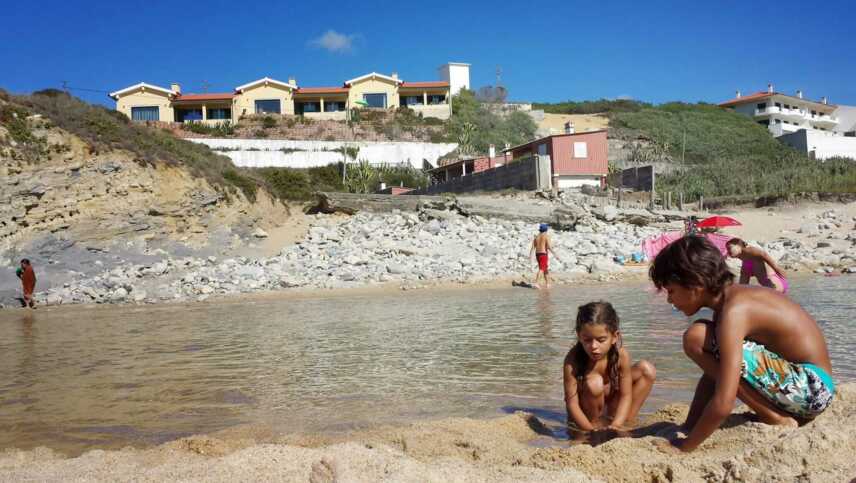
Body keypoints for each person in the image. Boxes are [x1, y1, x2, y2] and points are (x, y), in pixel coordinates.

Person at [649, 236, 835, 453]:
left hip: (812, 388)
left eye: (671, 291)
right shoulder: (730, 301)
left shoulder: (735, 311)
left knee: (696, 337)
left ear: (696, 284)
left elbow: (724, 400)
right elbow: (712, 373)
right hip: (809, 388)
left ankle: (776, 418)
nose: (670, 300)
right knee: (710, 344)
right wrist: (689, 426)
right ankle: (774, 415)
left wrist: (684, 447)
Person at [562, 301, 656, 434]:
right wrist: (590, 431)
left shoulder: (621, 355)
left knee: (646, 370)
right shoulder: (573, 360)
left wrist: (616, 425)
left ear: (614, 337)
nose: (593, 346)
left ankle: (625, 422)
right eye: (587, 340)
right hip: (587, 418)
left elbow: (626, 395)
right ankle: (596, 425)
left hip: (612, 406)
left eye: (601, 340)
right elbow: (572, 404)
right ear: (579, 336)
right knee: (594, 382)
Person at [529, 223, 561, 289]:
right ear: (546, 229)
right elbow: (549, 247)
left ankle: (548, 283)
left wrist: (530, 256)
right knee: (541, 269)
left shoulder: (536, 237)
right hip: (543, 254)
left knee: (545, 269)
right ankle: (536, 283)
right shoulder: (546, 236)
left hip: (537, 254)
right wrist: (555, 254)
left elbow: (532, 248)